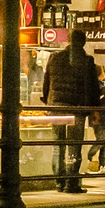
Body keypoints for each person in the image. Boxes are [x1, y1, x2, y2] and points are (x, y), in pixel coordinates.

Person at [39, 32, 100, 194]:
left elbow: (46, 83)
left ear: (68, 41)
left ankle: (59, 181)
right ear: (84, 43)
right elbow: (93, 88)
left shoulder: (54, 57)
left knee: (58, 145)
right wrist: (94, 109)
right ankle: (71, 182)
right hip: (77, 109)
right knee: (74, 146)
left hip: (57, 108)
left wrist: (47, 102)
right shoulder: (87, 61)